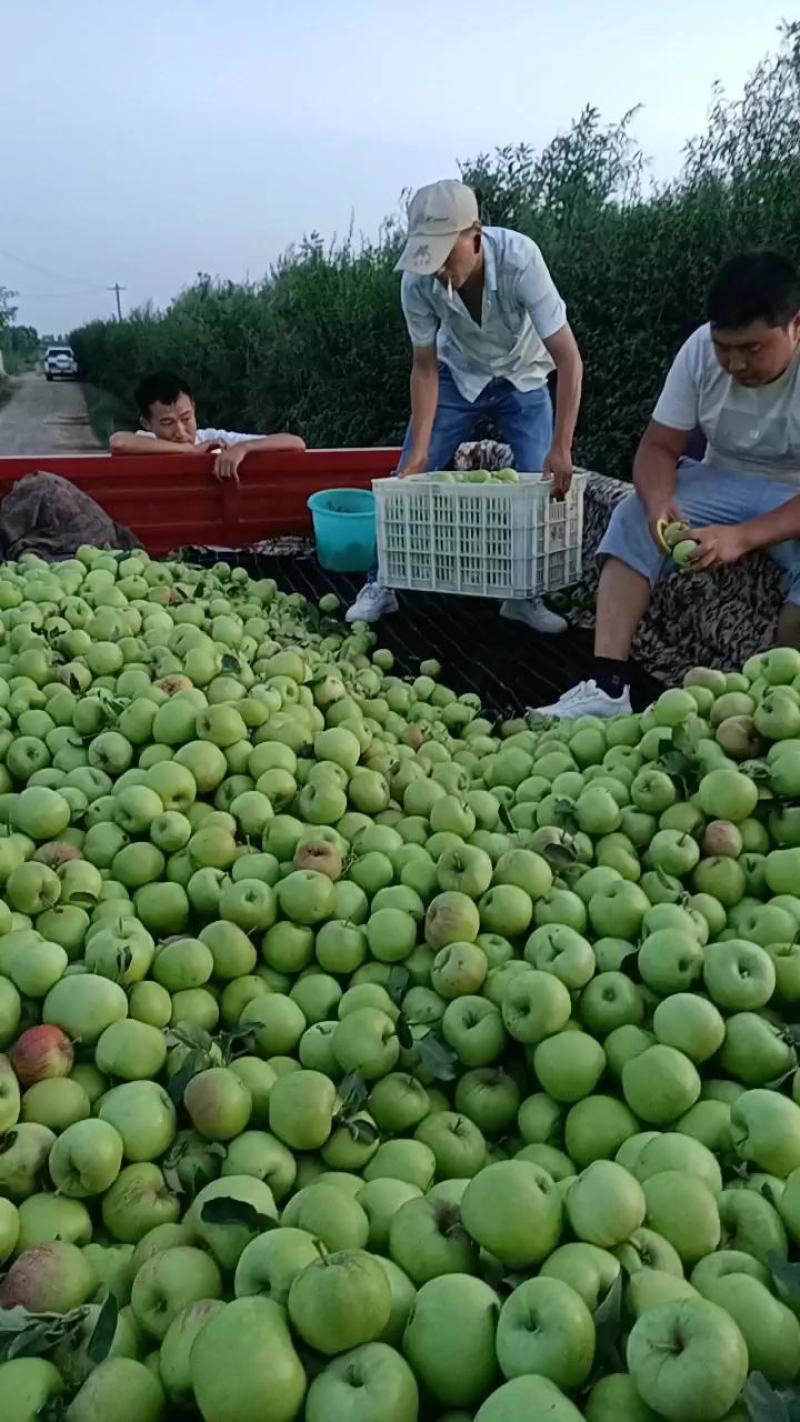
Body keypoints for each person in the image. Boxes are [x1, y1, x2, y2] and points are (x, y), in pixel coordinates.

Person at [537, 249, 800, 719]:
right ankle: (607, 686)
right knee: (634, 514)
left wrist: (742, 537)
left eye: (753, 349)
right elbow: (658, 447)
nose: (735, 364)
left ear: (794, 325)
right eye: (726, 348)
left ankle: (777, 699)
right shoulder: (700, 350)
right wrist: (660, 502)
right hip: (722, 477)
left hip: (793, 491)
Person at [346, 179, 583, 630]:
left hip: (523, 378)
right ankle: (381, 584)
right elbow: (425, 367)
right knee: (408, 476)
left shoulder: (520, 259)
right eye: (426, 253)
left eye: (444, 253)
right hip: (458, 376)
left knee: (538, 481)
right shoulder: (417, 283)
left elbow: (569, 359)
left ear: (475, 234)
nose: (435, 267)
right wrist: (418, 453)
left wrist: (563, 445)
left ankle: (525, 596)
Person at [110, 371, 305, 480]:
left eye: (186, 418)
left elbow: (295, 443)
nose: (180, 431)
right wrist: (187, 450)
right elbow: (118, 443)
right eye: (167, 422)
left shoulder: (214, 439)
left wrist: (243, 448)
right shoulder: (147, 442)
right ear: (146, 423)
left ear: (194, 409)